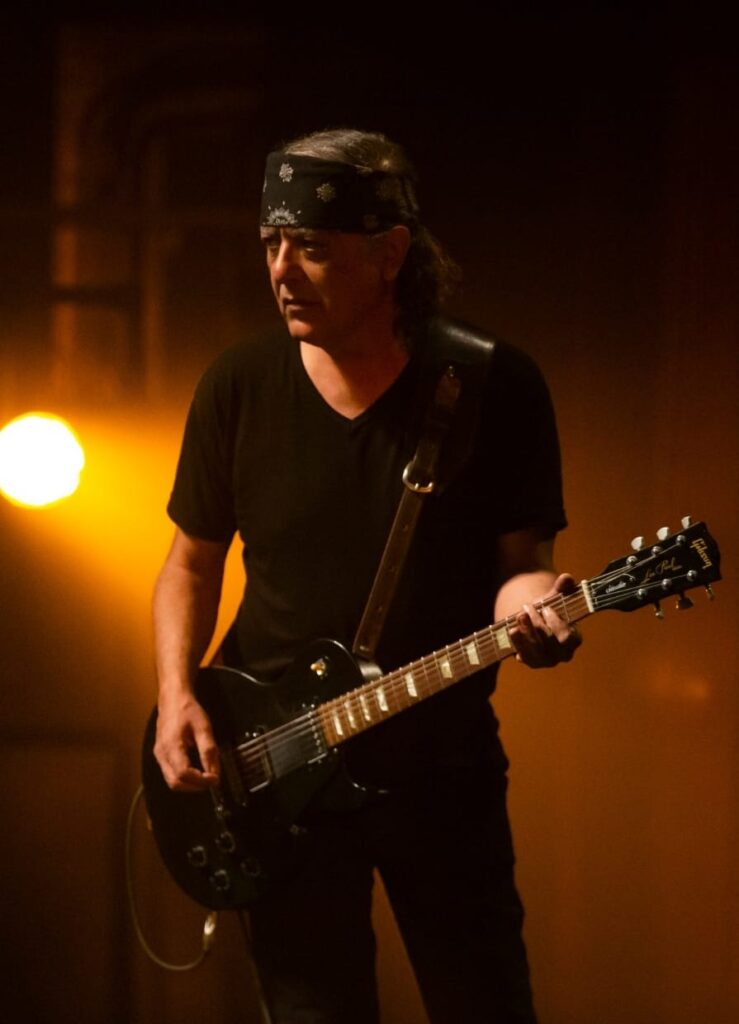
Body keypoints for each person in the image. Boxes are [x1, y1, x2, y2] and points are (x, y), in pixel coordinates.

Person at [152, 127, 581, 1024]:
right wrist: (176, 695)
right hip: (275, 766)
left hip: (440, 765)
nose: (281, 270)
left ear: (389, 254)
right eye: (270, 243)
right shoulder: (238, 383)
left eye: (310, 246)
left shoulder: (493, 385)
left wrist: (541, 610)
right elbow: (190, 561)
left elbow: (521, 570)